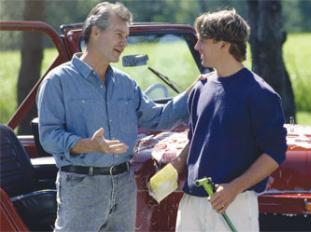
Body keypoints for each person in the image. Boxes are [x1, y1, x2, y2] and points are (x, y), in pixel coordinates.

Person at [37, 2, 193, 231]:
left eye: (127, 36)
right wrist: (86, 145)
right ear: (96, 32)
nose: (124, 42)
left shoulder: (125, 84)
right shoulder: (58, 81)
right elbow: (49, 136)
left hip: (124, 184)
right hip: (82, 187)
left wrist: (194, 92)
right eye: (119, 34)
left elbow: (158, 118)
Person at [171, 9, 287, 231]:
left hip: (235, 204)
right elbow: (196, 138)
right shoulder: (200, 87)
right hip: (192, 203)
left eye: (202, 40)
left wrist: (234, 188)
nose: (197, 47)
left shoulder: (260, 93)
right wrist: (177, 164)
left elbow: (275, 153)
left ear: (224, 45)